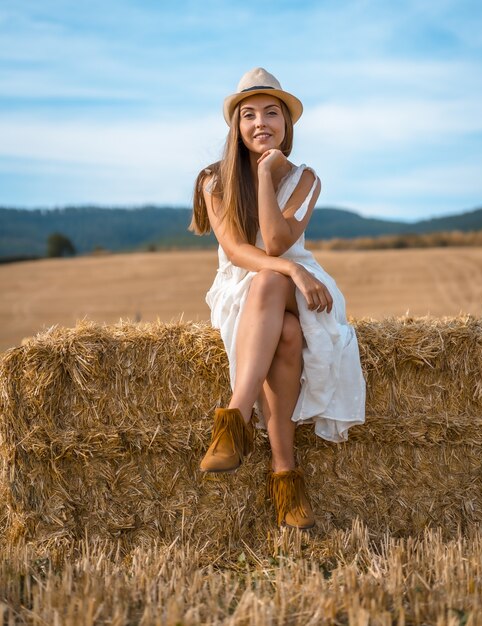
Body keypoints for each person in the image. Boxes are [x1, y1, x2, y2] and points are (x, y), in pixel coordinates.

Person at [189, 67, 366, 530]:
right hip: (245, 282)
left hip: (301, 286)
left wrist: (268, 174)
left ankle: (235, 421)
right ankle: (285, 476)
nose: (260, 122)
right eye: (249, 115)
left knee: (274, 286)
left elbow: (277, 239)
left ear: (287, 125)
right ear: (236, 126)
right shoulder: (214, 179)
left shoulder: (306, 179)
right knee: (286, 333)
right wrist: (290, 269)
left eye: (272, 113)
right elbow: (241, 251)